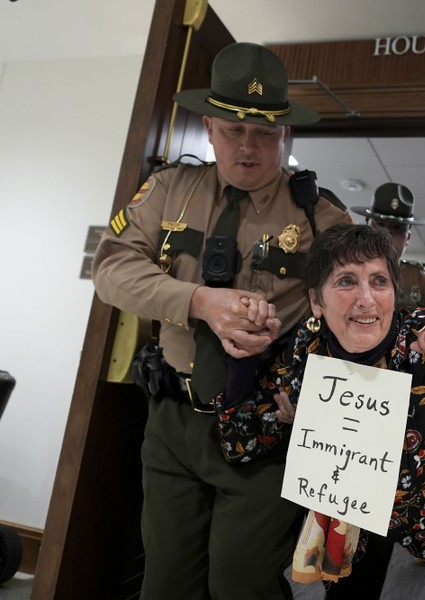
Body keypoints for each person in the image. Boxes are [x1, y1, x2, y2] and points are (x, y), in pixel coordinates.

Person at [91, 42, 351, 599]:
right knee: (164, 583)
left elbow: (363, 315)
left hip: (262, 428)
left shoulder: (320, 215)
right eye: (233, 129)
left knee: (241, 584)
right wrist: (198, 301)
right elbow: (111, 268)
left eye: (265, 132)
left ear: (286, 135)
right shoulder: (168, 191)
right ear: (208, 126)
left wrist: (313, 384)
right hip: (173, 423)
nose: (248, 146)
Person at [213, 224, 425, 600]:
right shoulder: (307, 351)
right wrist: (244, 361)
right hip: (349, 533)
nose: (366, 300)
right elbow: (241, 445)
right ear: (316, 301)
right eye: (346, 282)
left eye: (379, 281)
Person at [351, 182, 425, 307]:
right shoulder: (343, 271)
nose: (386, 234)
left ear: (407, 237)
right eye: (379, 224)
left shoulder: (423, 283)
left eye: (396, 227)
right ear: (366, 227)